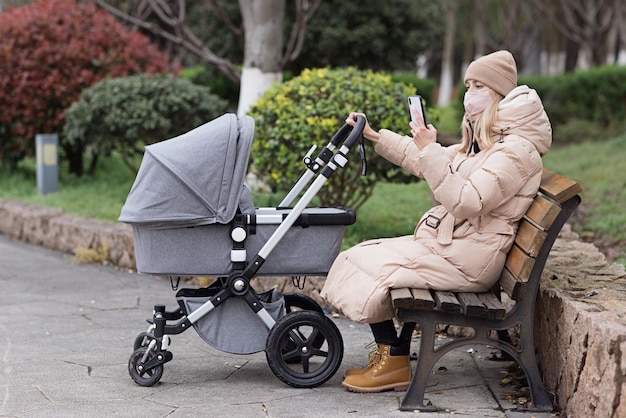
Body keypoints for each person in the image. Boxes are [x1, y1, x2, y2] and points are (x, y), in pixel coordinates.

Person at [321, 50, 552, 393]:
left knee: (376, 265)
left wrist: (430, 151)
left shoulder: (514, 151)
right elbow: (429, 160)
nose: (469, 93)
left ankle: (393, 363)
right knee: (361, 253)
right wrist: (374, 136)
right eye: (469, 85)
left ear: (499, 95)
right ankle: (392, 355)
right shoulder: (488, 142)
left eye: (478, 86)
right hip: (458, 246)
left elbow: (465, 201)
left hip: (471, 258)